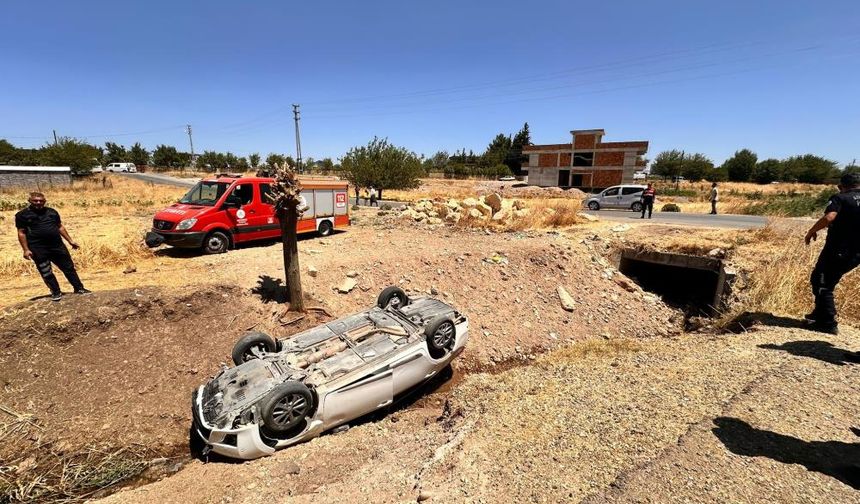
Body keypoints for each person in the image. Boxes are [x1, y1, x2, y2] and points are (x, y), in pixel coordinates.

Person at [803, 173, 860, 335]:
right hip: (856, 253)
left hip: (838, 250)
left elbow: (830, 217)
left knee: (822, 283)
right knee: (824, 279)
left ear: (841, 186)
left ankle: (828, 322)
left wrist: (811, 231)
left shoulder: (840, 198)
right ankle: (820, 313)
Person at [15, 192, 90, 302]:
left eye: (41, 201)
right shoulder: (22, 215)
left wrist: (70, 241)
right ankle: (55, 292)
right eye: (35, 200)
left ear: (44, 201)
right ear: (30, 201)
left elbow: (60, 227)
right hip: (38, 248)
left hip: (57, 246)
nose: (38, 203)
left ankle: (79, 288)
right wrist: (26, 250)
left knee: (68, 268)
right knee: (46, 271)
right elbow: (21, 232)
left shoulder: (52, 212)